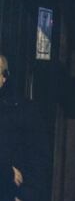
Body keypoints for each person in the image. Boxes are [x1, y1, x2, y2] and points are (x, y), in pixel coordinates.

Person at [0, 55, 48, 201]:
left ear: (4, 77)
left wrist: (25, 195)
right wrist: (5, 170)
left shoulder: (22, 110)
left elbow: (37, 156)